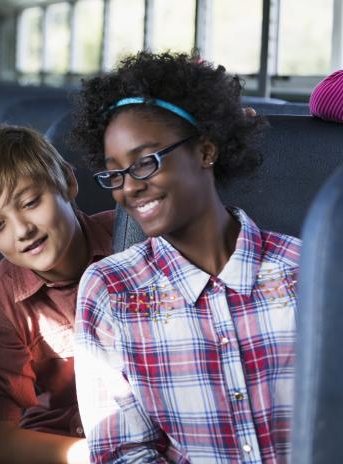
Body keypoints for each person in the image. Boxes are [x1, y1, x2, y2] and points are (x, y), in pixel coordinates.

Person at [70, 51, 300, 463]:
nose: (129, 188)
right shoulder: (110, 290)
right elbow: (123, 453)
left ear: (205, 151)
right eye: (115, 173)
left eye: (145, 162)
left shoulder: (306, 272)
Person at [0, 126, 115, 463]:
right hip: (64, 446)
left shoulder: (131, 239)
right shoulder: (3, 300)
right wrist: (99, 456)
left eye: (30, 203)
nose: (22, 230)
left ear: (68, 183)